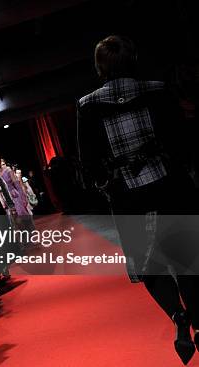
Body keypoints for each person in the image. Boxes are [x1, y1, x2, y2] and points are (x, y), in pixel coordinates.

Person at [77, 35, 199, 364]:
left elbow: (88, 165)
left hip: (127, 196)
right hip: (171, 187)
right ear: (133, 58)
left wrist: (107, 183)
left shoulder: (87, 105)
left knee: (151, 268)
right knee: (188, 263)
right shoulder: (157, 89)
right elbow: (182, 141)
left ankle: (177, 315)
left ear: (100, 67)